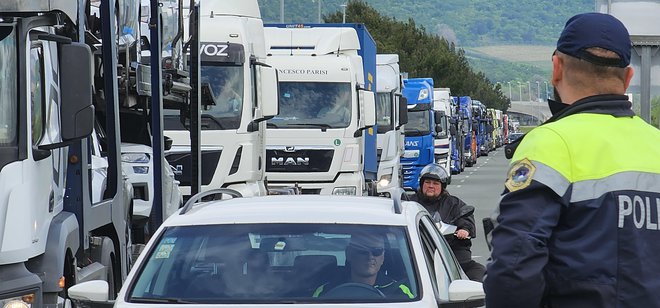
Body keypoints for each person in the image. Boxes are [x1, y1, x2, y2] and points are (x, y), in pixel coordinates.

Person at [484, 13, 660, 308]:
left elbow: (514, 265)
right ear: (628, 76)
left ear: (557, 68)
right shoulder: (656, 142)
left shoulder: (551, 142)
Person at [409, 164, 485, 282]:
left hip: (451, 251)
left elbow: (465, 216)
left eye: (435, 184)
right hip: (416, 250)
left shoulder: (453, 203)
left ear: (442, 187)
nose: (431, 186)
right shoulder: (410, 202)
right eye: (427, 182)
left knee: (480, 274)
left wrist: (464, 229)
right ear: (422, 184)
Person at [312, 232, 414, 299]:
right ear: (349, 254)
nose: (370, 257)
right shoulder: (325, 292)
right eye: (363, 251)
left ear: (383, 257)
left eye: (376, 251)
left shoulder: (400, 292)